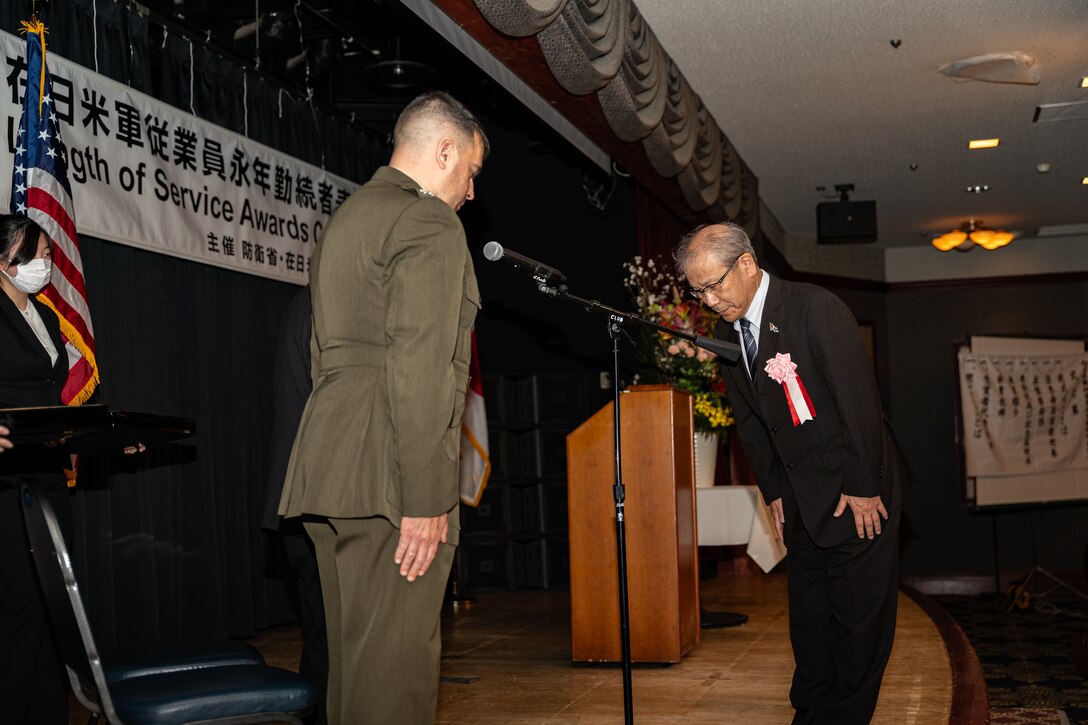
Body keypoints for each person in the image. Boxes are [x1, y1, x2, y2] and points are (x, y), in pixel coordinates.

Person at [278, 91, 487, 725]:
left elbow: (322, 358)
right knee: (392, 685)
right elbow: (419, 365)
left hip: (329, 469)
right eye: (471, 173)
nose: (471, 193)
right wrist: (425, 498)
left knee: (351, 678)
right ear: (444, 149)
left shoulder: (348, 218)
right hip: (390, 480)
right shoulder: (426, 220)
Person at [674, 222, 906, 724]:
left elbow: (860, 405)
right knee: (810, 625)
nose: (709, 301)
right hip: (800, 500)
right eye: (698, 291)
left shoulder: (814, 309)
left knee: (857, 628)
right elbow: (751, 423)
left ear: (747, 265)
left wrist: (865, 489)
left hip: (855, 492)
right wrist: (774, 492)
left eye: (714, 285)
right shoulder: (725, 333)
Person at [0, 214, 71, 724]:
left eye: (48, 252)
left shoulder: (46, 317)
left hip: (45, 477)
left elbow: (53, 395)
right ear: (5, 259)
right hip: (3, 482)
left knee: (50, 608)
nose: (46, 263)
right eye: (37, 253)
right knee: (18, 609)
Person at [260, 285, 328, 725]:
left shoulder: (306, 302)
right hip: (321, 499)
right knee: (332, 639)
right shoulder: (329, 306)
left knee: (323, 636)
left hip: (300, 497)